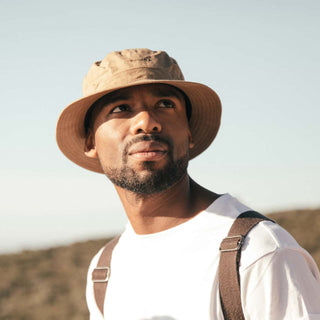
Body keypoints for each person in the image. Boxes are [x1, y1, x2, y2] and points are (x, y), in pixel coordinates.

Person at [56, 48, 320, 320]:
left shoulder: (259, 251)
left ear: (189, 131)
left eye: (166, 105)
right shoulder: (104, 270)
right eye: (121, 108)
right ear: (91, 143)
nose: (147, 122)